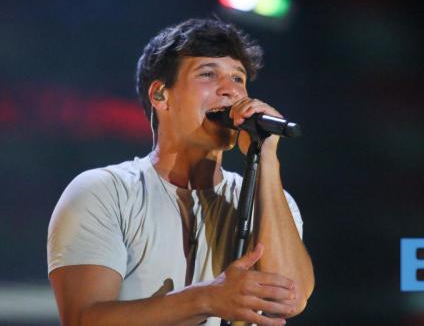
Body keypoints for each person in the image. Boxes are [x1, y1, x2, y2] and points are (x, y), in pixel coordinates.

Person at [47, 18, 314, 326]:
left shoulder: (269, 201)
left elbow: (286, 301)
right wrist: (205, 299)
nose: (231, 91)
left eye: (238, 79)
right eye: (209, 74)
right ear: (160, 94)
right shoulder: (103, 192)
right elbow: (83, 320)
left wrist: (266, 156)